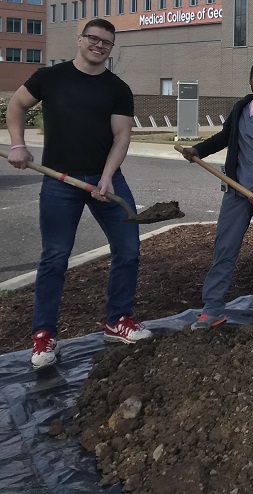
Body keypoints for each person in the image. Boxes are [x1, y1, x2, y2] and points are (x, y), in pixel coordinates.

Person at [5, 18, 151, 369]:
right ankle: (43, 336)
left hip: (106, 180)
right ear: (80, 40)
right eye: (94, 39)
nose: (99, 46)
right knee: (55, 257)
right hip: (60, 181)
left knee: (129, 247)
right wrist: (18, 145)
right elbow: (16, 106)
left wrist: (107, 177)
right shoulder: (50, 78)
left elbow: (121, 137)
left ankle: (117, 321)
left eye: (107, 43)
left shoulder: (117, 88)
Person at [179, 50, 253, 328]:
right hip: (236, 194)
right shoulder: (240, 109)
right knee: (225, 249)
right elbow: (224, 137)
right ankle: (213, 307)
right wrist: (198, 150)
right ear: (250, 80)